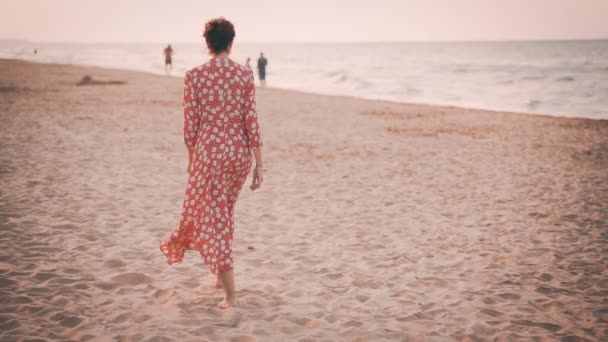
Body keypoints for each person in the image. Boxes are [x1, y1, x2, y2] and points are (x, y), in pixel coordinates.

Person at [160, 17, 264, 309]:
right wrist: (259, 164)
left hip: (210, 155)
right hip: (238, 156)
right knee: (224, 213)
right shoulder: (244, 75)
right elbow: (251, 121)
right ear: (231, 42)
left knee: (216, 218)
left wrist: (192, 161)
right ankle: (219, 278)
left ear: (207, 43)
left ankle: (230, 294)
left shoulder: (194, 75)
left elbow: (190, 126)